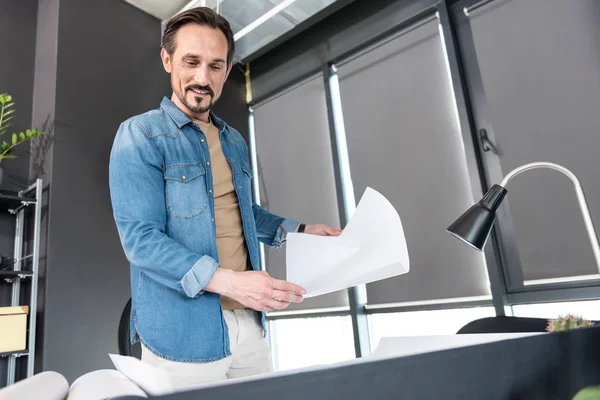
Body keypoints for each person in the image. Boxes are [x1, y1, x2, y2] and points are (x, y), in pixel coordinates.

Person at [108, 6, 341, 390]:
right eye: (191, 61)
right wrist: (232, 283)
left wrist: (298, 230)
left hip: (249, 323)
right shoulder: (140, 135)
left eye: (215, 66)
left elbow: (240, 210)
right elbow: (141, 242)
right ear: (167, 60)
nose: (203, 78)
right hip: (182, 335)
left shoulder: (232, 139)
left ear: (228, 70)